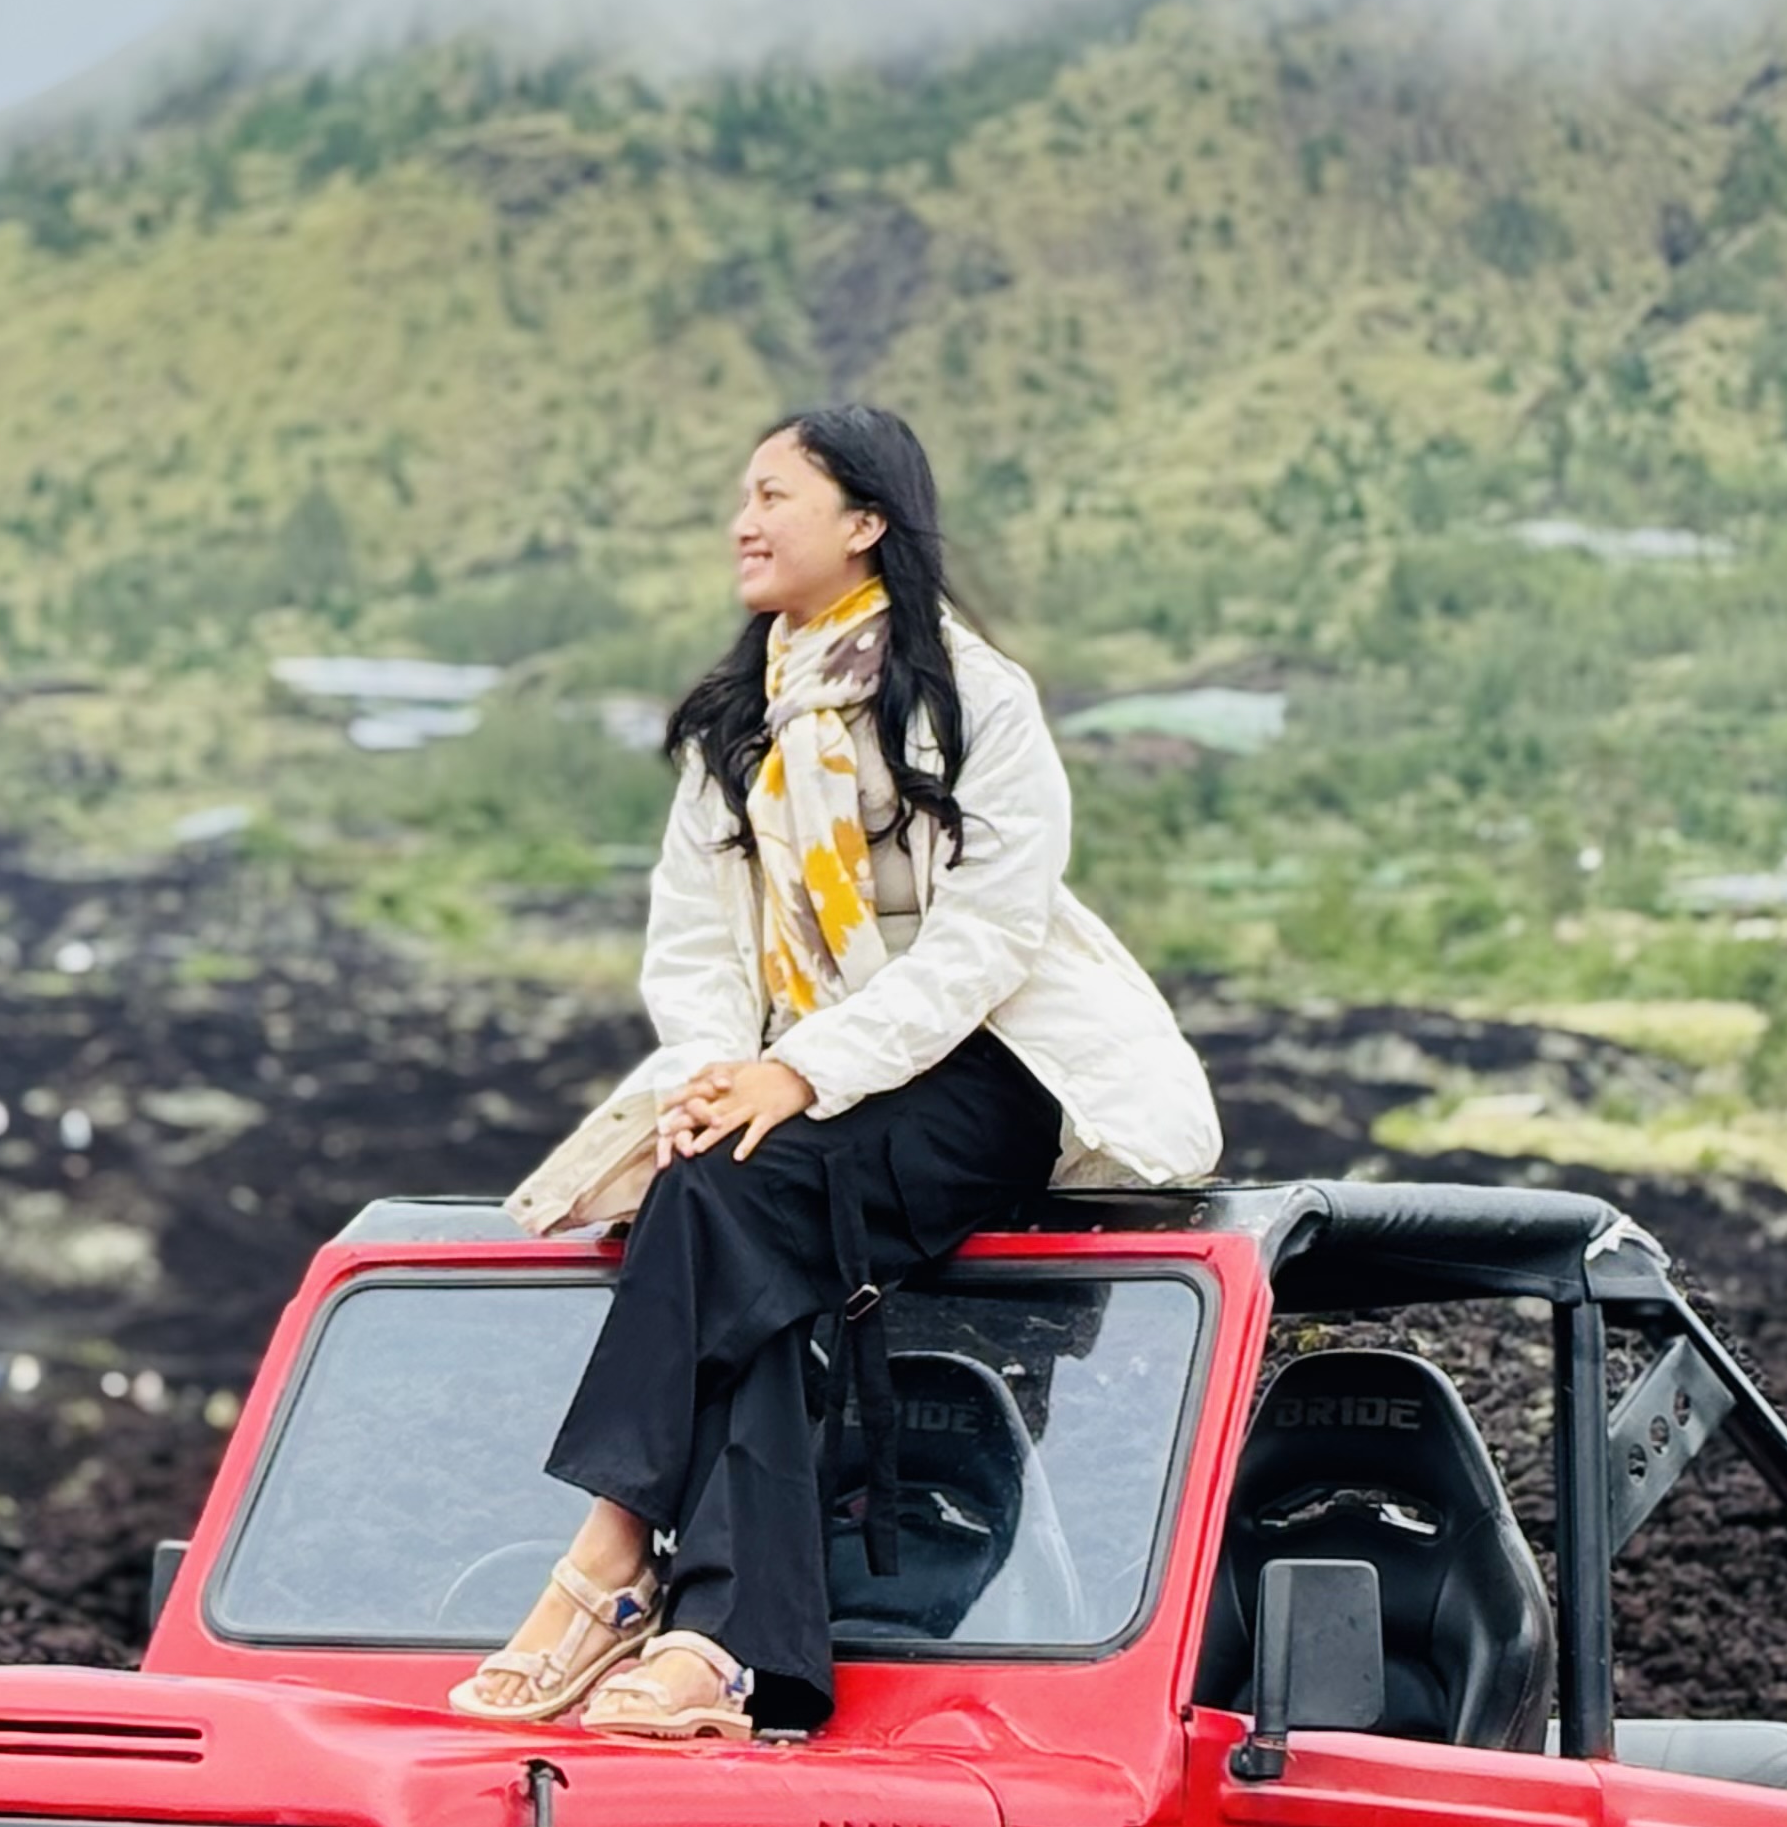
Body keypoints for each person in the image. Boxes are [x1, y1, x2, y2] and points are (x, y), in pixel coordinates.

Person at [456, 406, 1220, 1745]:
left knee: (731, 1200)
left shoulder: (972, 699)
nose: (743, 523)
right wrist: (715, 1075)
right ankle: (711, 1649)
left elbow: (990, 937)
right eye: (741, 497)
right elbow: (695, 945)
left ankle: (612, 1557)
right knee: (719, 1200)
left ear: (866, 521)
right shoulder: (736, 723)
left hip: (993, 1068)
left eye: (775, 496)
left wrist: (798, 1072)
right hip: (804, 1084)